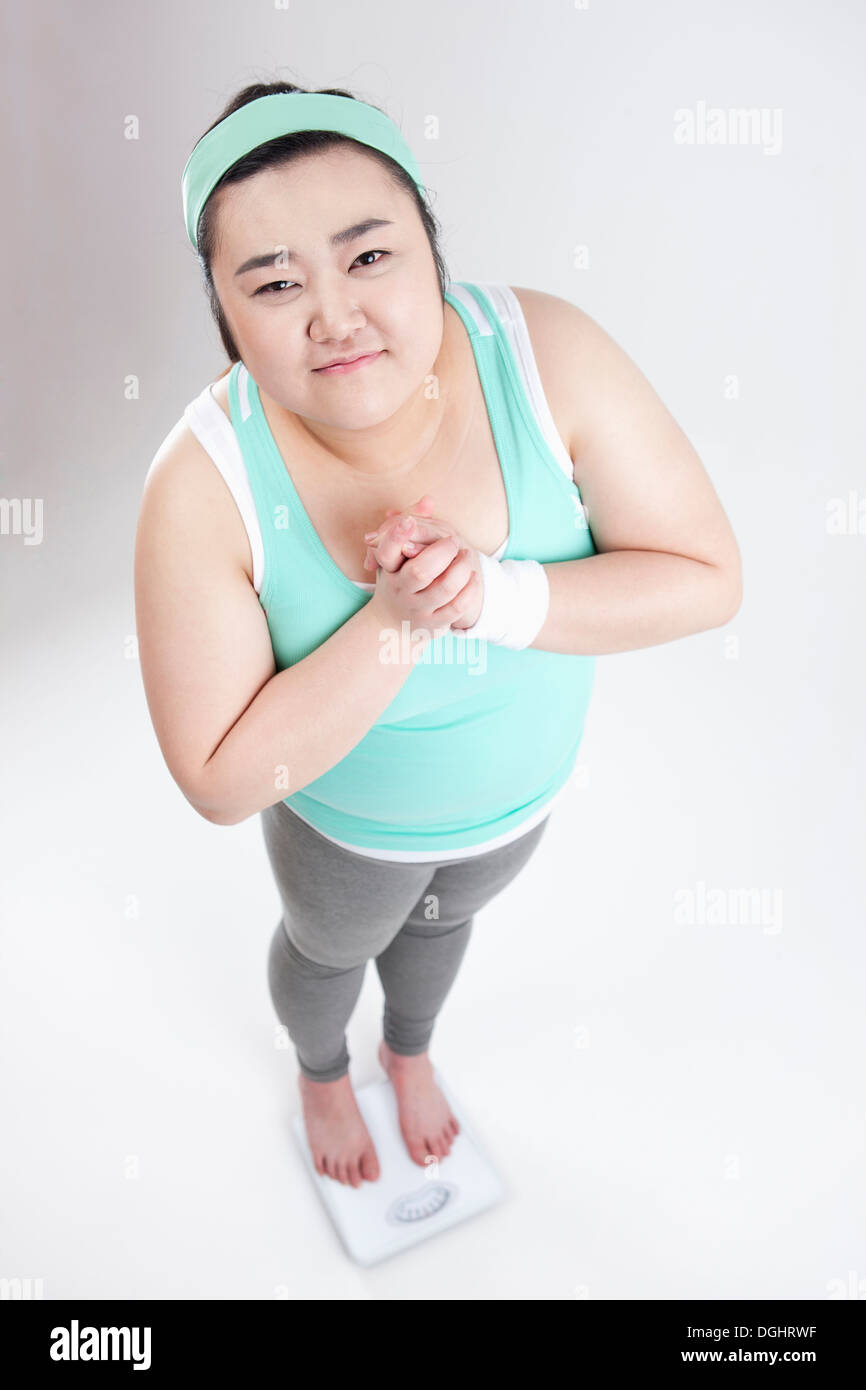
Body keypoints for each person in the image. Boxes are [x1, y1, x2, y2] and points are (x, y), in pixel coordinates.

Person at [134, 80, 742, 1190]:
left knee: (439, 934)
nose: (334, 315)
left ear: (432, 250)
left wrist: (494, 597)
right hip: (343, 837)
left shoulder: (544, 351)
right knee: (327, 953)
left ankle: (407, 1049)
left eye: (369, 257)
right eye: (273, 283)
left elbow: (706, 579)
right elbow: (221, 780)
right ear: (224, 316)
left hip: (518, 806)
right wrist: (400, 618)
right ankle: (322, 1068)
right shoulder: (201, 481)